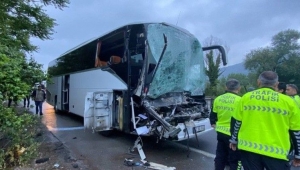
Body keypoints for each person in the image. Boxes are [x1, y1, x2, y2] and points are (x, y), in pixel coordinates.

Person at [229, 71, 300, 170]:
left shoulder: (246, 97)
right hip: (277, 152)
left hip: (249, 149)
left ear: (258, 82)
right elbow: (296, 131)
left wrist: (233, 140)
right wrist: (298, 154)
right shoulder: (289, 102)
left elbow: (236, 122)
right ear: (276, 84)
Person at [210, 79, 242, 170]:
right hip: (234, 135)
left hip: (220, 132)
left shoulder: (218, 99)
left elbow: (213, 114)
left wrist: (213, 123)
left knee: (220, 156)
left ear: (226, 87)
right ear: (239, 88)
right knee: (235, 159)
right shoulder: (240, 100)